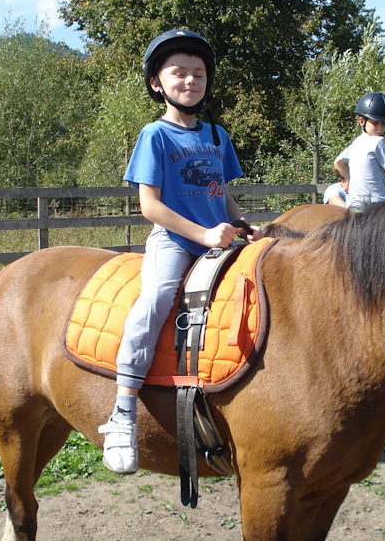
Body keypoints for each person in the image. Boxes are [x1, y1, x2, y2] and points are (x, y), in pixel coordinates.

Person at [98, 29, 263, 475]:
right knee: (154, 300)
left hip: (218, 240)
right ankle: (123, 411)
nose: (190, 80)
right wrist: (203, 235)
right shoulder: (155, 135)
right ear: (157, 82)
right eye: (179, 73)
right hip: (174, 241)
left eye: (199, 73)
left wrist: (243, 224)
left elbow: (222, 194)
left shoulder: (217, 135)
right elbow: (149, 206)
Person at [333, 92, 385, 211]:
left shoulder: (356, 143)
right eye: (375, 123)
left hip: (352, 205)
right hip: (377, 204)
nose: (380, 128)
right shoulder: (379, 141)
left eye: (384, 124)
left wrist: (353, 182)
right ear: (362, 121)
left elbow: (338, 163)